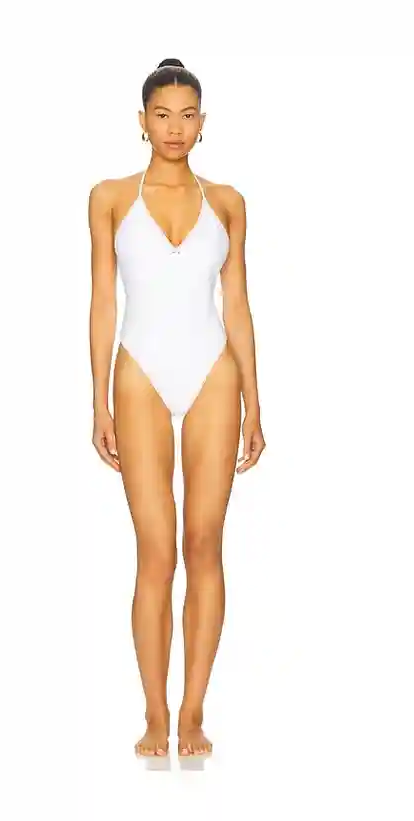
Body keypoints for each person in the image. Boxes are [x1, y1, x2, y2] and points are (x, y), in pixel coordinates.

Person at [88, 58, 265, 758]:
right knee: (155, 551)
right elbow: (103, 301)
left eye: (187, 115)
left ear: (202, 122)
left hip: (213, 374)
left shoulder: (228, 202)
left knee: (204, 543)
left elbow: (237, 303)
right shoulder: (108, 198)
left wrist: (256, 401)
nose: (174, 127)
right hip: (138, 374)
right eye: (162, 115)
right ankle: (153, 714)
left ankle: (192, 712)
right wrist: (97, 398)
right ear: (142, 121)